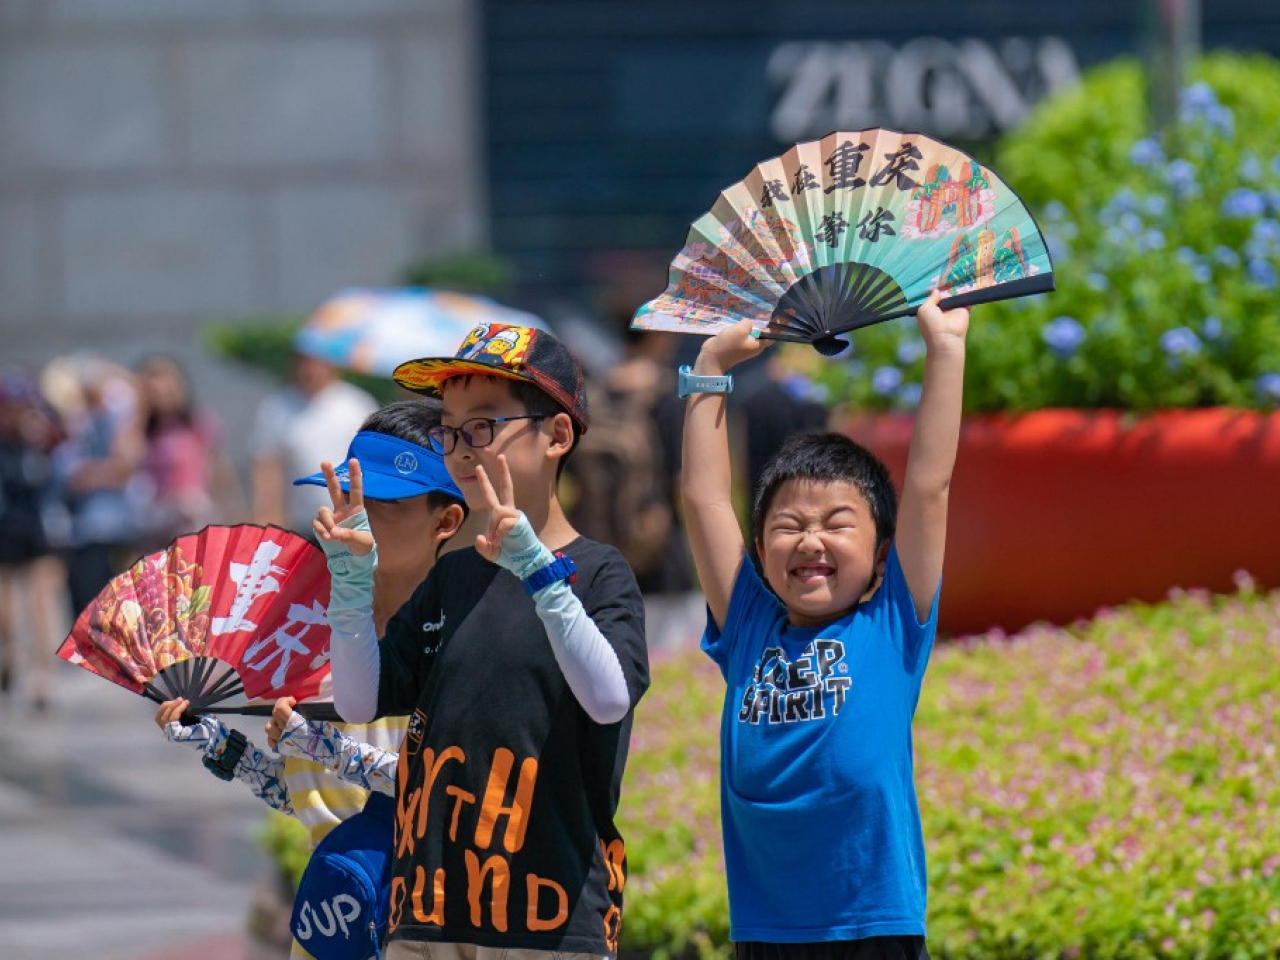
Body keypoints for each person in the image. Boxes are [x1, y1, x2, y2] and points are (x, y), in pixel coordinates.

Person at [320, 323, 649, 960]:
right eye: (449, 428)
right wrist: (351, 584)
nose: (462, 448)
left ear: (556, 435)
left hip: (548, 922)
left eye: (485, 424)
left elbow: (609, 701)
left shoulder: (601, 571)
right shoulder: (453, 575)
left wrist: (540, 573)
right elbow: (360, 702)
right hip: (426, 914)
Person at [679, 291, 969, 960]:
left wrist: (945, 350)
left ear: (879, 553)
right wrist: (708, 364)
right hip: (766, 932)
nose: (811, 539)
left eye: (838, 524)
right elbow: (701, 497)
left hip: (874, 928)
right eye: (788, 525)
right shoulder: (749, 620)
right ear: (759, 549)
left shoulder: (893, 619)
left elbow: (929, 485)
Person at [155, 399, 474, 960]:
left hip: (424, 926)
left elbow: (441, 793)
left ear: (446, 521)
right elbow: (317, 805)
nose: (348, 519)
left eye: (379, 504)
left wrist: (320, 743)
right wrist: (223, 749)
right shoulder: (308, 638)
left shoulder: (465, 641)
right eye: (342, 499)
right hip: (334, 922)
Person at [250, 342, 378, 534]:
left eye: (317, 363)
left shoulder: (357, 404)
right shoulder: (277, 407)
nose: (311, 370)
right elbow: (267, 465)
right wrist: (267, 516)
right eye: (305, 362)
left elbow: (375, 459)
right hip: (304, 522)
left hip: (354, 521)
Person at [0, 368, 67, 711]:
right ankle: (10, 657)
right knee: (7, 611)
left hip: (39, 531)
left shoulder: (43, 441)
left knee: (43, 603)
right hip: (6, 532)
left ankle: (43, 677)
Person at [135, 354, 245, 547]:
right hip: (157, 523)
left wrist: (237, 518)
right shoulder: (141, 430)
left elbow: (221, 473)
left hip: (195, 520)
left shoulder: (198, 423)